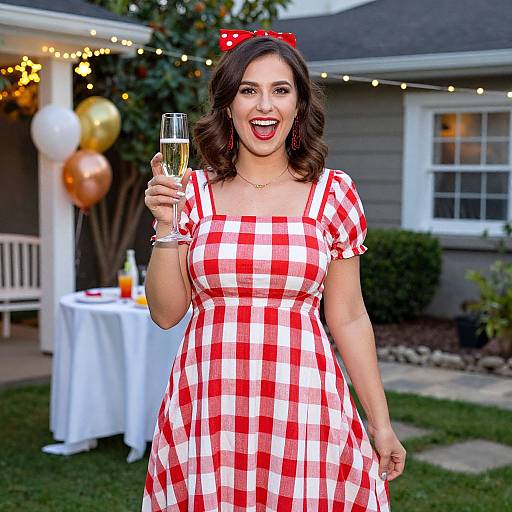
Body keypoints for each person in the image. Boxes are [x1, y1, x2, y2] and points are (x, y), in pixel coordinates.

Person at [142, 28, 405, 511]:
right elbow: (165, 313)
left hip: (304, 410)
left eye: (280, 91)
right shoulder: (189, 192)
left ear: (299, 107)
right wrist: (166, 224)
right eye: (249, 90)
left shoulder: (334, 193)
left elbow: (348, 317)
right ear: (228, 106)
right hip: (209, 410)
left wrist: (381, 423)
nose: (265, 106)